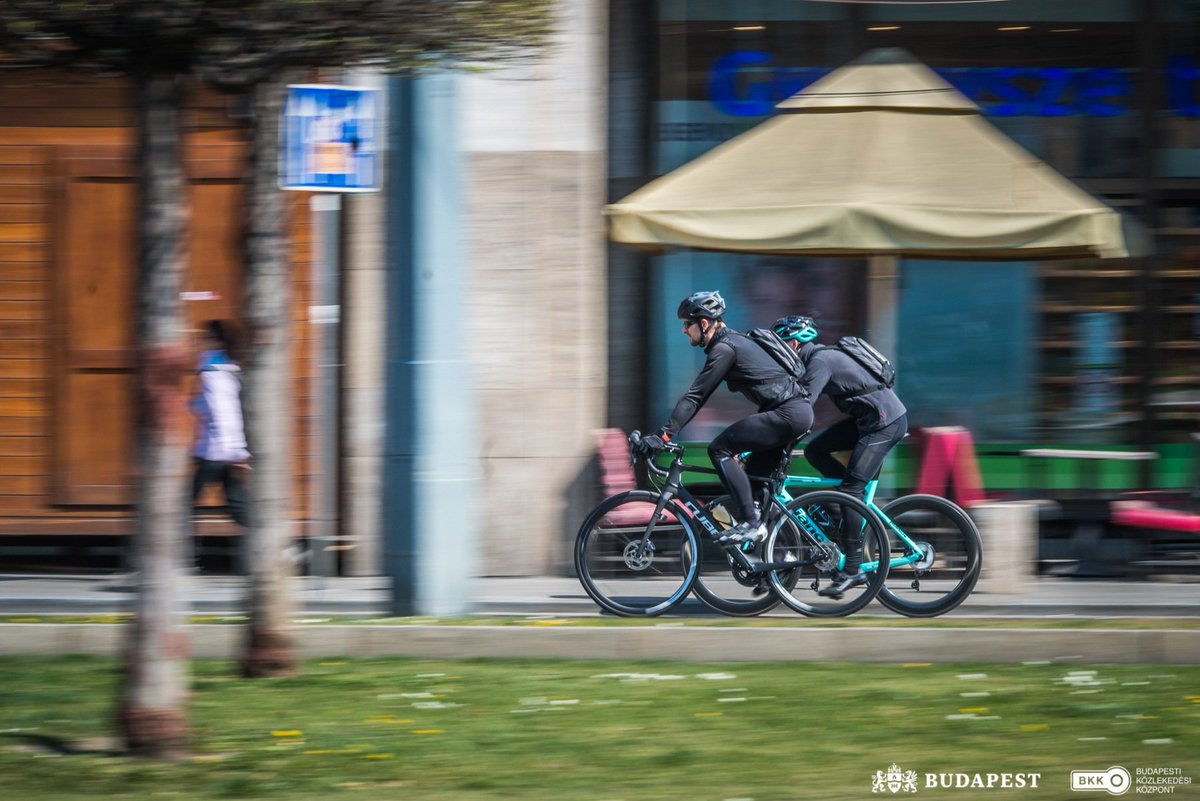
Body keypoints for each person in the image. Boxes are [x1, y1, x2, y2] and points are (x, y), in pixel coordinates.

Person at [640, 291, 813, 545]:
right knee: (755, 480)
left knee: (720, 449)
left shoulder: (725, 348)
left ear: (705, 323)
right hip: (792, 413)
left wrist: (663, 434)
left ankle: (752, 524)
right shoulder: (733, 343)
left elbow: (696, 397)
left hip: (788, 414)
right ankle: (772, 561)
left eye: (687, 324)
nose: (684, 330)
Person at [773, 315, 908, 597]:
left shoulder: (820, 362)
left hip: (885, 423)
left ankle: (853, 569)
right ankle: (840, 508)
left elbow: (801, 410)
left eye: (780, 347)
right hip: (868, 421)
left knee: (851, 491)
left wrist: (773, 441)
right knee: (815, 451)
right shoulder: (819, 359)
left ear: (794, 344)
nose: (778, 355)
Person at [191, 320, 250, 563]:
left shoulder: (212, 372)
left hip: (217, 451)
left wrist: (236, 451)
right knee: (237, 506)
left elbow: (223, 413)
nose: (201, 341)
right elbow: (212, 407)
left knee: (185, 505)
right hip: (223, 449)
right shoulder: (224, 368)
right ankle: (278, 547)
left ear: (215, 341)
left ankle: (186, 559)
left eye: (206, 337)